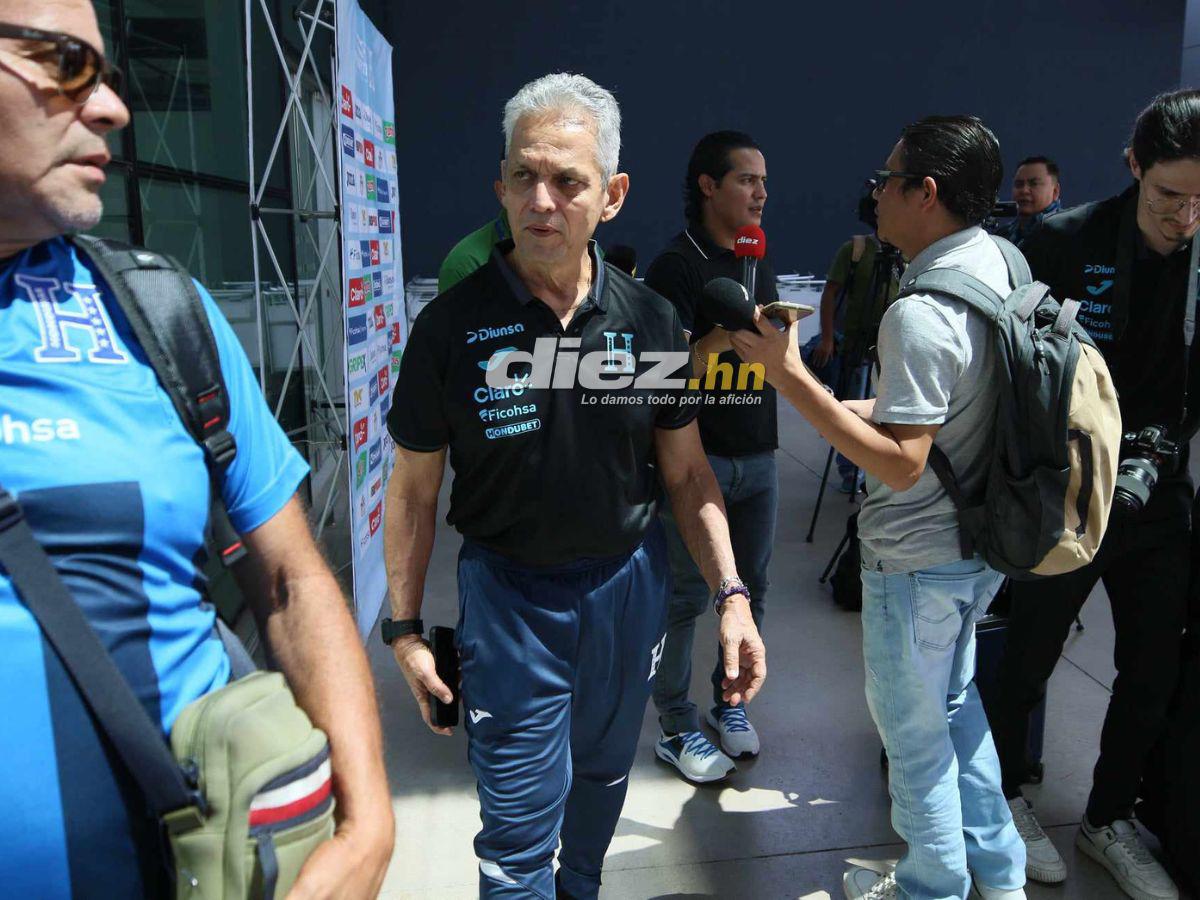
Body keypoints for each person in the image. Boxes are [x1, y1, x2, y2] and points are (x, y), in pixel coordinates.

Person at [0, 2, 394, 897]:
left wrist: (366, 820)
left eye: (105, 72)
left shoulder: (156, 312)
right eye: (65, 64)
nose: (110, 108)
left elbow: (291, 575)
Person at [383, 73, 766, 900]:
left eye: (568, 180)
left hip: (628, 589)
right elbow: (412, 489)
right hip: (509, 598)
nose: (542, 201)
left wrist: (731, 593)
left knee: (598, 781)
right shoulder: (449, 327)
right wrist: (406, 627)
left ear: (613, 194)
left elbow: (688, 470)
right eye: (524, 175)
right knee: (519, 833)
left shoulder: (652, 320)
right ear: (501, 185)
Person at [731, 115, 1026, 900]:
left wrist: (791, 381)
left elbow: (902, 464)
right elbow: (933, 411)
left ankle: (931, 886)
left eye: (886, 179)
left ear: (924, 194)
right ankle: (1000, 877)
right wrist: (845, 402)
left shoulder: (920, 310)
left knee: (916, 736)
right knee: (958, 711)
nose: (876, 193)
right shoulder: (1000, 262)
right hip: (981, 545)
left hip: (916, 560)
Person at [987, 91, 1200, 900]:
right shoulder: (1066, 240)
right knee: (1028, 658)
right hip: (1067, 492)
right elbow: (1017, 368)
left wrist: (1162, 447)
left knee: (1151, 671)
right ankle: (1006, 797)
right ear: (1134, 166)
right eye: (1168, 195)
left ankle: (1111, 819)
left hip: (1159, 494)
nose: (1185, 217)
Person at [641, 130, 777, 783]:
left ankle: (732, 704)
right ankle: (674, 723)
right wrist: (726, 336)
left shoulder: (758, 261)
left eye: (763, 183)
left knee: (750, 590)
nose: (760, 193)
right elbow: (663, 371)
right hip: (699, 459)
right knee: (687, 596)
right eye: (747, 179)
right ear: (707, 186)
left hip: (760, 453)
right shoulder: (676, 266)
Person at [805, 209, 900, 494]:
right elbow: (830, 293)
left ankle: (875, 471)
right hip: (854, 346)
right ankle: (851, 473)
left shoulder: (905, 255)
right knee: (853, 408)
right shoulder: (856, 250)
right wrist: (827, 339)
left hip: (890, 348)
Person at [994, 156, 1061, 246]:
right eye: (1019, 184)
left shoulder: (1067, 232)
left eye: (1034, 184)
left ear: (1055, 191)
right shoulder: (1002, 237)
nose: (1024, 190)